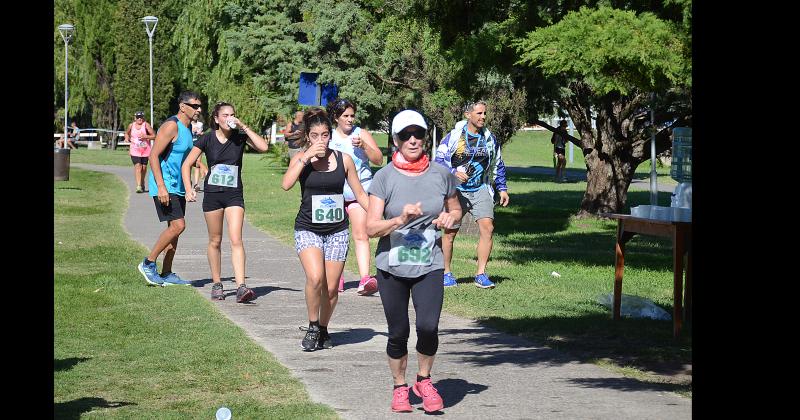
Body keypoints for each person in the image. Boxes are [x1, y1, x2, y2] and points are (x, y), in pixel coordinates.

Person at [366, 109, 462, 413]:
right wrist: (400, 219)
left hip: (429, 264)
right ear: (395, 140)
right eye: (405, 134)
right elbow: (370, 228)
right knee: (398, 332)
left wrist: (450, 219)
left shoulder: (440, 174)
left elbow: (457, 212)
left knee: (429, 326)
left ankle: (424, 379)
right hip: (391, 266)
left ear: (425, 138)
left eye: (418, 134)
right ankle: (399, 387)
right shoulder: (384, 178)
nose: (412, 140)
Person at [281, 107, 369, 351]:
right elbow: (286, 184)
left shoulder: (344, 160)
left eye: (325, 135)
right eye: (315, 135)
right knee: (315, 277)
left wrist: (377, 216)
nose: (321, 140)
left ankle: (323, 327)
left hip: (337, 230)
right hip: (307, 227)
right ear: (308, 136)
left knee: (331, 287)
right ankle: (311, 326)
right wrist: (307, 156)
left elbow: (360, 193)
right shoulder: (301, 159)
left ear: (331, 135)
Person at [182, 101, 269, 302]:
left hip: (234, 195)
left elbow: (264, 147)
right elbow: (187, 164)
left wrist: (243, 126)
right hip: (213, 195)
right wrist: (189, 189)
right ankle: (217, 284)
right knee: (215, 240)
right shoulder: (206, 139)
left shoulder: (240, 137)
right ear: (216, 119)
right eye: (225, 115)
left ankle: (241, 287)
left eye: (232, 114)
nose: (229, 118)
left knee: (236, 239)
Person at [434, 100, 509, 289]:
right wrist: (453, 173)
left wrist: (502, 188)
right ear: (468, 115)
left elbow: (498, 164)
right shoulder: (453, 137)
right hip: (456, 191)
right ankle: (446, 273)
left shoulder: (490, 139)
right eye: (479, 113)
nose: (483, 117)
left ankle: (481, 274)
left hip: (481, 188)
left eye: (485, 113)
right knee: (450, 232)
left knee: (488, 228)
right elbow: (438, 161)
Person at [136, 91, 202, 287]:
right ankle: (148, 263)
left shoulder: (188, 127)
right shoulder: (171, 126)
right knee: (178, 226)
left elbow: (187, 156)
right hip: (165, 185)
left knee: (174, 230)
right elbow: (153, 156)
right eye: (195, 106)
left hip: (179, 186)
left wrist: (200, 167)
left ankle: (166, 273)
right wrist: (162, 186)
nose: (199, 110)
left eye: (199, 106)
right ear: (183, 106)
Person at [326, 98, 383, 295]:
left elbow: (378, 159)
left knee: (361, 234)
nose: (350, 120)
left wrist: (365, 147)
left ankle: (365, 279)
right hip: (335, 194)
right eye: (345, 116)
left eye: (352, 115)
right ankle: (336, 277)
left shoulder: (362, 134)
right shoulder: (329, 136)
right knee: (336, 237)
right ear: (336, 118)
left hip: (360, 193)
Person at [125, 111, 156, 193]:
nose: (139, 119)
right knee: (138, 166)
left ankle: (142, 182)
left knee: (144, 168)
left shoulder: (146, 125)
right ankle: (138, 186)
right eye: (138, 117)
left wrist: (146, 136)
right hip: (134, 150)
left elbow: (154, 136)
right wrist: (126, 138)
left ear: (143, 118)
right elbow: (126, 133)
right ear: (135, 118)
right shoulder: (131, 126)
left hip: (145, 150)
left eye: (141, 117)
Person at [190, 117, 209, 191]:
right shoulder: (188, 124)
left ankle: (196, 184)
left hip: (198, 144)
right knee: (190, 164)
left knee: (197, 165)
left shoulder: (200, 124)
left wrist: (200, 133)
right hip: (190, 144)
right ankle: (188, 183)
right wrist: (192, 131)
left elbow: (202, 133)